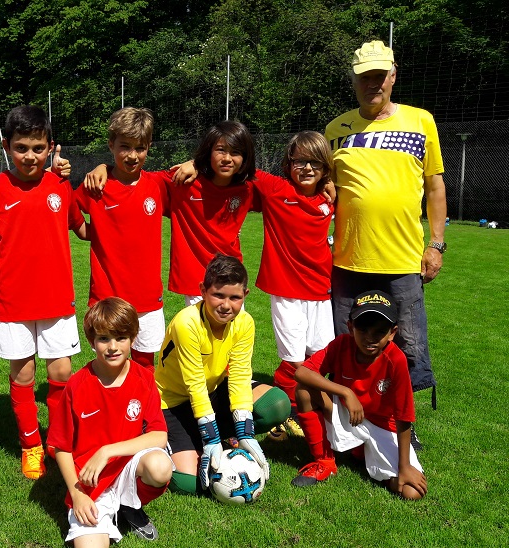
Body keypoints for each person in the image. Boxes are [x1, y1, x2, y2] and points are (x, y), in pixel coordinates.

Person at [325, 40, 447, 435]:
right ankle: (351, 428)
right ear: (354, 81)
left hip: (402, 261)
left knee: (407, 349)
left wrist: (436, 244)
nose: (372, 84)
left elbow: (435, 187)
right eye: (365, 77)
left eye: (380, 76)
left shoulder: (420, 121)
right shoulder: (335, 130)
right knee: (349, 346)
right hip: (348, 260)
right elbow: (320, 186)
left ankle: (401, 427)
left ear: (393, 76)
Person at [0, 105, 87, 480]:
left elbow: (82, 227)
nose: (30, 156)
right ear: (6, 146)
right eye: (21, 148)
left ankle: (57, 441)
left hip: (57, 298)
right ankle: (30, 445)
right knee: (23, 375)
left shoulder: (60, 186)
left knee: (61, 370)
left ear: (51, 147)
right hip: (14, 301)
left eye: (38, 148)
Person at [48, 297, 172, 548]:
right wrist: (77, 494)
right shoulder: (77, 385)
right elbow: (61, 447)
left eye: (121, 338)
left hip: (126, 468)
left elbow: (159, 436)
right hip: (91, 482)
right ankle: (109, 509)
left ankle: (129, 505)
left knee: (160, 466)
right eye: (104, 339)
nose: (113, 347)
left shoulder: (144, 378)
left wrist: (107, 451)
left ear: (133, 339)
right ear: (92, 341)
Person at [155, 254, 291, 495]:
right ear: (203, 291)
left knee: (276, 404)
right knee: (189, 483)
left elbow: (239, 375)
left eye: (235, 297)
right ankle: (169, 440)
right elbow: (195, 384)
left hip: (214, 392)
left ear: (245, 295)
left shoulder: (245, 322)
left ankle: (224, 437)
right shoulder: (186, 323)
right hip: (173, 403)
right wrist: (210, 437)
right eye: (218, 295)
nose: (226, 305)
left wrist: (246, 432)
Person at [85, 120, 258, 306]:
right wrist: (104, 167)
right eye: (221, 150)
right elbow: (133, 177)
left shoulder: (251, 188)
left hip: (233, 280)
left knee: (235, 325)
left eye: (235, 152)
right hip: (196, 281)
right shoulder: (182, 182)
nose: (227, 158)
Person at [292, 290, 427, 500]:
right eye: (362, 329)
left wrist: (404, 466)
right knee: (304, 391)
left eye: (379, 332)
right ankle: (324, 461)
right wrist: (345, 392)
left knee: (411, 492)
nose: (369, 338)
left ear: (392, 333)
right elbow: (302, 372)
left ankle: (363, 454)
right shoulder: (342, 344)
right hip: (349, 415)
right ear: (350, 327)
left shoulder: (396, 360)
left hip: (383, 426)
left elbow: (403, 416)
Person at [253, 131, 336, 440]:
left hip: (321, 290)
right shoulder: (276, 189)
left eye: (315, 162)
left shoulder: (330, 199)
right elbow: (238, 163)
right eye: (299, 161)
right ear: (288, 164)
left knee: (321, 356)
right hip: (287, 291)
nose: (307, 168)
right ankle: (287, 413)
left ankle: (304, 404)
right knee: (294, 359)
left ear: (325, 168)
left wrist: (333, 185)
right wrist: (195, 163)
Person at [74, 107, 168, 370]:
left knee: (145, 365)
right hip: (108, 296)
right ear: (111, 145)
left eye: (140, 148)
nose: (132, 155)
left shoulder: (159, 184)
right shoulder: (96, 186)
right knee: (110, 365)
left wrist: (192, 163)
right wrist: (91, 233)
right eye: (124, 147)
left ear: (149, 146)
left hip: (148, 296)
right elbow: (69, 211)